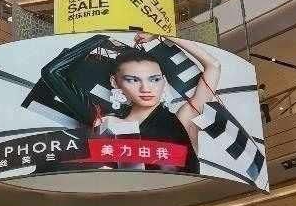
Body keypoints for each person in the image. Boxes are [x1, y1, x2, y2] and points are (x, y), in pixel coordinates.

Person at [40, 33, 221, 174]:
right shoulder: (108, 123)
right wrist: (100, 39)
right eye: (133, 80)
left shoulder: (184, 119)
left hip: (186, 204)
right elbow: (51, 72)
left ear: (164, 80)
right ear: (115, 82)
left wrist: (161, 33)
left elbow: (213, 65)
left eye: (154, 79)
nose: (145, 88)